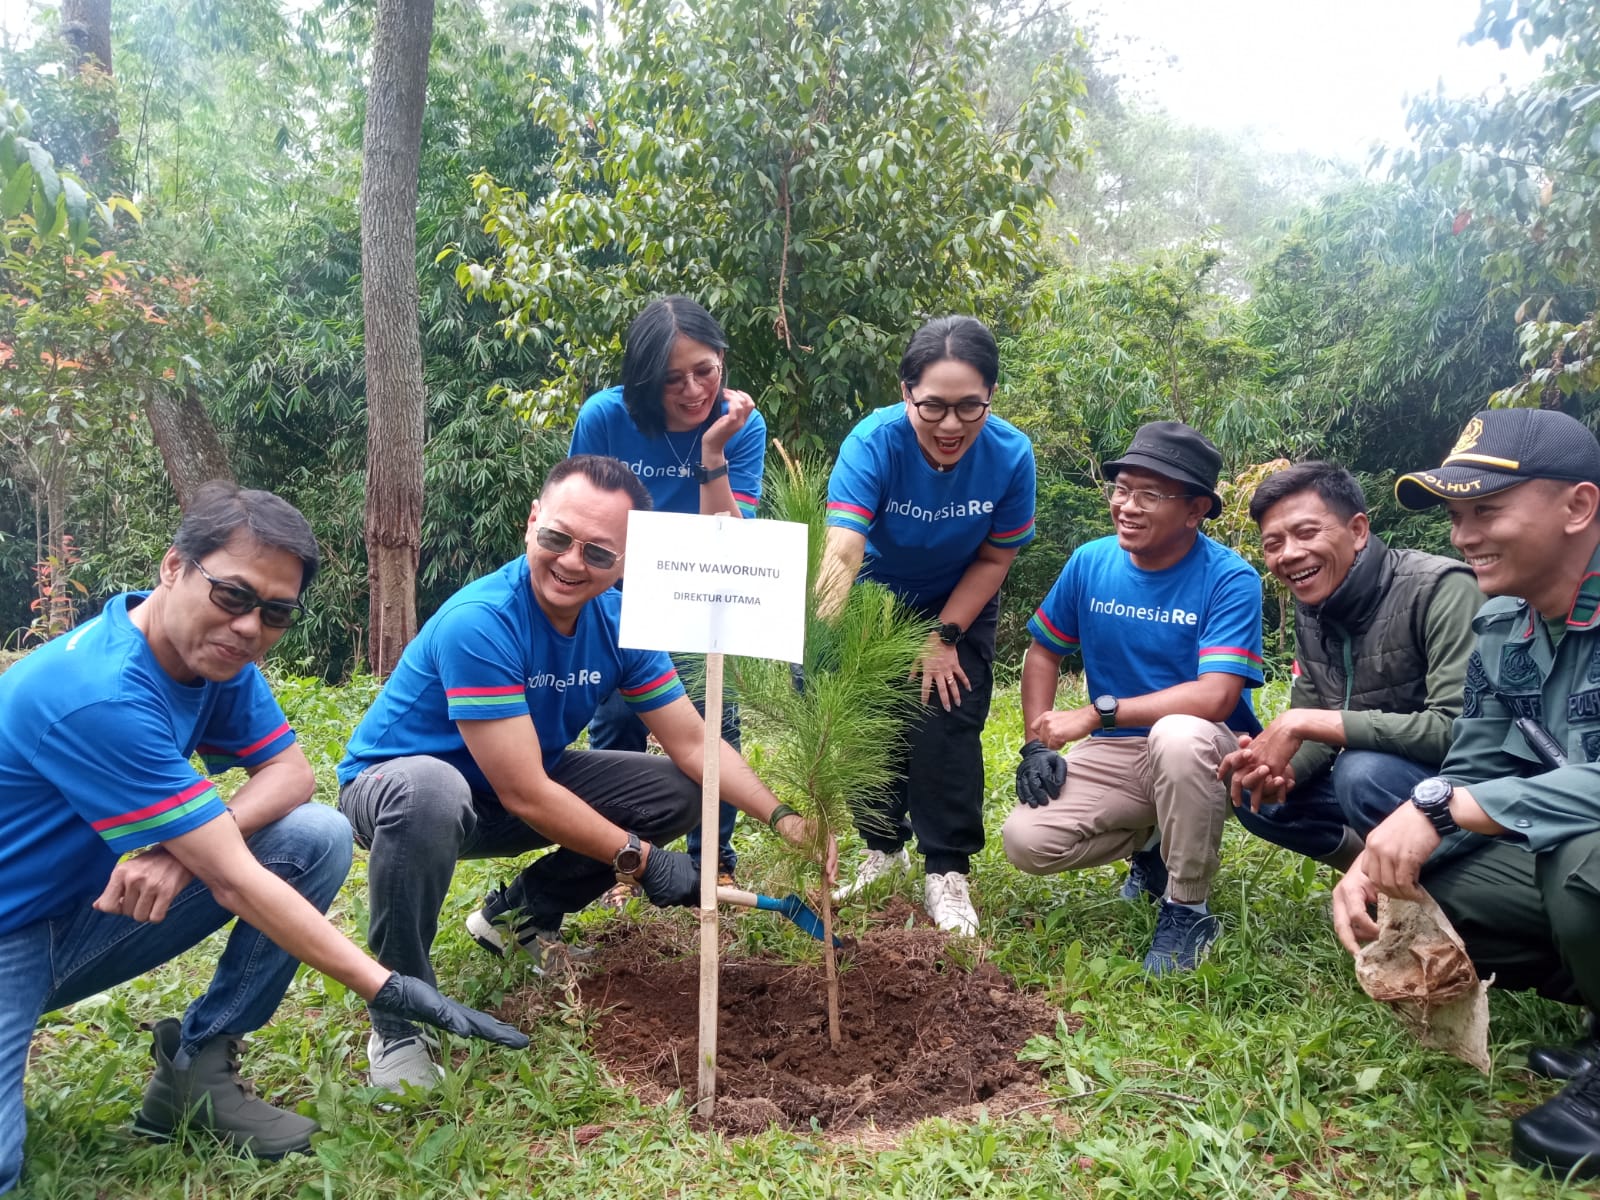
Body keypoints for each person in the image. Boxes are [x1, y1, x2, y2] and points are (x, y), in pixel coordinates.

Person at [0, 482, 525, 1195]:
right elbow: (236, 880)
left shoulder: (208, 653)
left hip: (70, 918)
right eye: (233, 595)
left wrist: (178, 850)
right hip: (12, 938)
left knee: (313, 836)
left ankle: (198, 1071)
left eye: (275, 612)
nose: (250, 626)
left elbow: (291, 774)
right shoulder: (99, 693)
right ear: (173, 567)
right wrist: (394, 989)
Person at [338, 455, 836, 1091]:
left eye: (600, 553)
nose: (573, 562)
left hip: (516, 784)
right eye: (557, 539)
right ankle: (399, 1012)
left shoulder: (623, 622)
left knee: (683, 792)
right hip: (396, 793)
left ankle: (516, 919)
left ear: (628, 561)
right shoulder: (482, 621)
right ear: (531, 523)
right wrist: (644, 860)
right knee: (432, 791)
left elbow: (690, 743)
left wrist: (785, 817)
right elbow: (526, 792)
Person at [1332, 408, 1600, 1180]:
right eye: (1456, 516)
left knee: (1584, 852)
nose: (1463, 536)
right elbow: (1472, 761)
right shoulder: (1503, 628)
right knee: (1429, 882)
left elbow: (1474, 798)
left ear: (1578, 507)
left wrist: (1449, 808)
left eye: (1487, 511)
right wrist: (1373, 861)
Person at [1002, 422, 1264, 973]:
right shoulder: (1092, 562)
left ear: (1195, 511)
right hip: (1118, 753)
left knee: (1178, 734)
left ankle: (1188, 905)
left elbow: (1215, 696)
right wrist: (1035, 744)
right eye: (1121, 489)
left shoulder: (1230, 579)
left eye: (1150, 495)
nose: (1128, 506)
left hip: (1206, 749)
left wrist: (1098, 714)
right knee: (1025, 840)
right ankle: (1152, 848)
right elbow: (1043, 652)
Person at [819, 315, 1036, 935]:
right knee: (867, 721)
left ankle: (947, 870)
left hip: (959, 596)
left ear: (991, 396)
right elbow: (843, 549)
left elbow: (996, 556)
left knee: (947, 718)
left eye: (971, 407)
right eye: (933, 406)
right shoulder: (874, 442)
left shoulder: (1009, 454)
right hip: (873, 598)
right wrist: (824, 635)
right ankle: (882, 848)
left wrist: (944, 636)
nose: (950, 425)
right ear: (905, 391)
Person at [568, 296, 766, 887]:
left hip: (703, 598)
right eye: (671, 378)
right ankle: (621, 863)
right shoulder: (605, 418)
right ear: (642, 380)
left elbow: (730, 540)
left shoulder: (741, 423)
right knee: (617, 729)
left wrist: (713, 453)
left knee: (714, 729)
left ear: (723, 360)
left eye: (704, 370)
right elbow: (585, 518)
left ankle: (714, 864)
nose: (691, 391)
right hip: (616, 597)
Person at [1222, 462, 1480, 868]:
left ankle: (1441, 885)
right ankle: (1377, 873)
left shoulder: (1441, 589)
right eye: (1273, 543)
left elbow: (1459, 729)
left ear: (1358, 531)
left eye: (1306, 533)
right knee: (1254, 795)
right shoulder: (1314, 606)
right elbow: (1316, 719)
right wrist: (1280, 773)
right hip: (1382, 777)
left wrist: (1309, 723)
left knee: (1362, 773)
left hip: (1466, 787)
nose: (1289, 554)